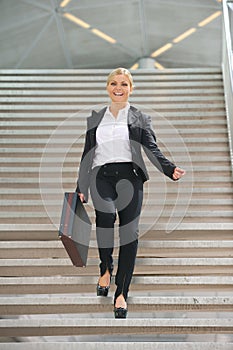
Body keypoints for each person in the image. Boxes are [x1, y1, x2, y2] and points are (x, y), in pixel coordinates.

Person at [76, 67, 185, 318]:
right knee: (105, 218)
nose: (118, 87)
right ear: (107, 87)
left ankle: (121, 293)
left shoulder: (140, 118)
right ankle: (105, 268)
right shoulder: (96, 117)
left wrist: (169, 168)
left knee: (130, 234)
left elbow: (151, 148)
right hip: (101, 176)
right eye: (114, 83)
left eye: (124, 84)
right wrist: (80, 186)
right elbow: (87, 154)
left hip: (130, 177)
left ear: (131, 88)